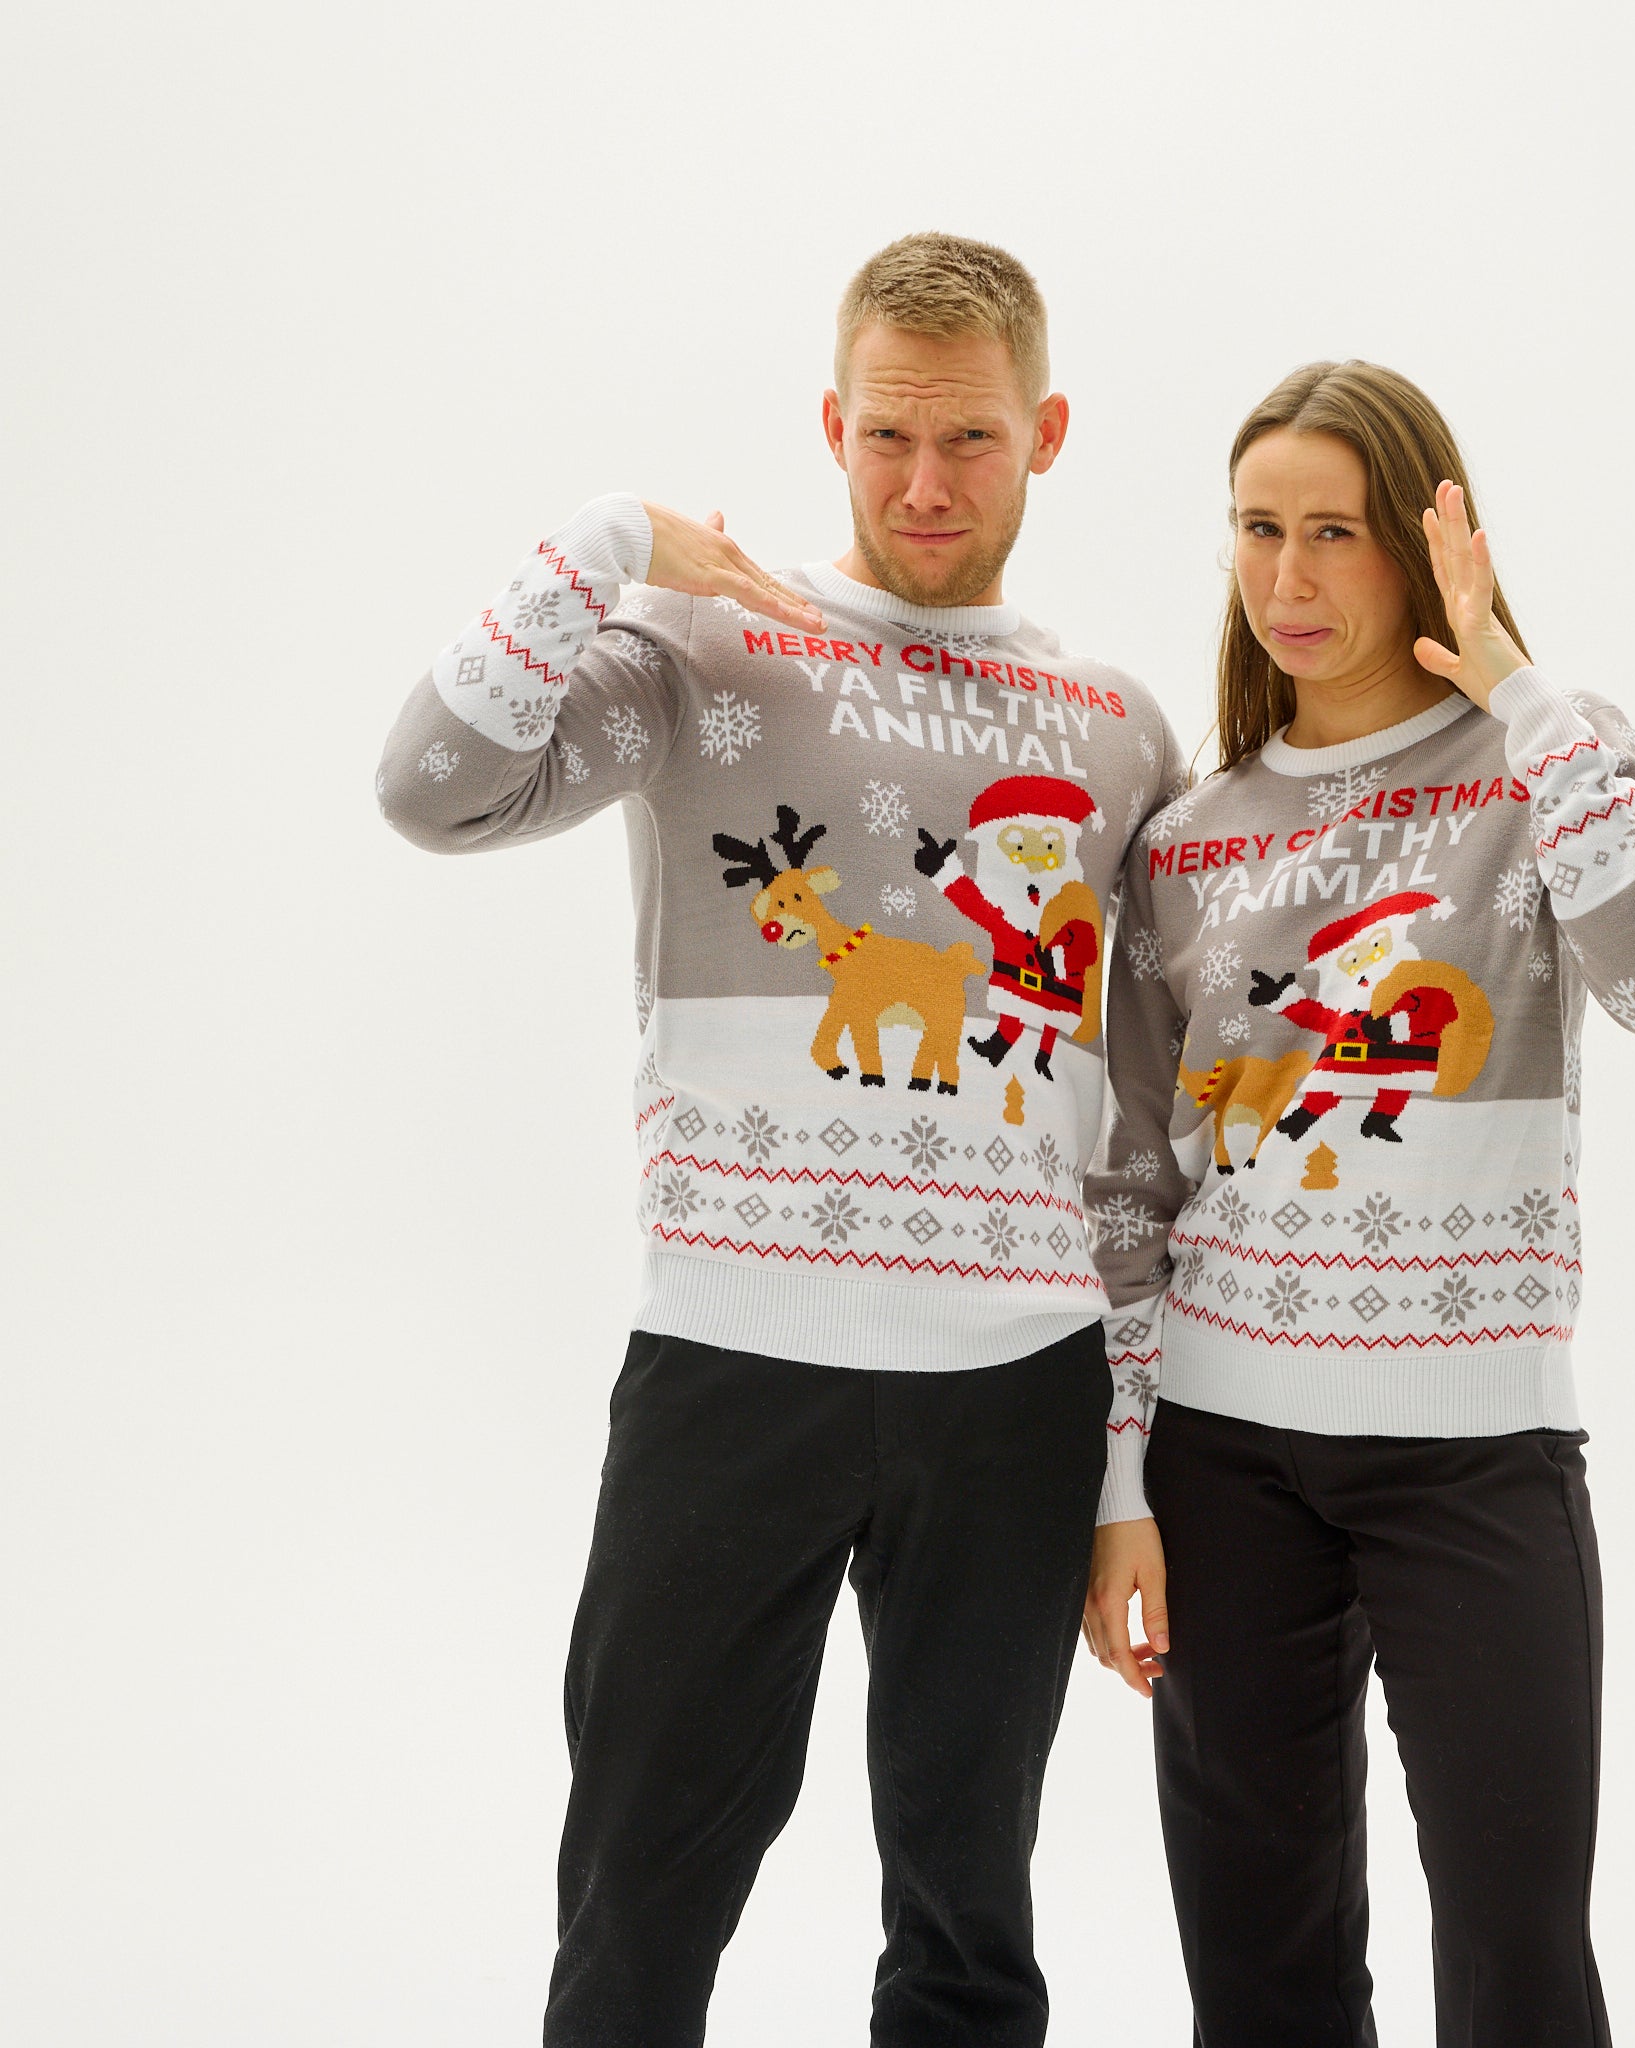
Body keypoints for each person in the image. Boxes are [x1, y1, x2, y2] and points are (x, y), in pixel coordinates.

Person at [377, 232, 1183, 2048]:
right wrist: (601, 544)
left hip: (1018, 1393)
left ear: (1048, 433)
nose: (924, 482)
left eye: (970, 437)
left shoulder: (1122, 732)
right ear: (832, 425)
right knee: (640, 1900)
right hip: (732, 1368)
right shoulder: (704, 644)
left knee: (970, 1917)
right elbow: (430, 789)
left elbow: (1141, 1133)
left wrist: (1127, 1469)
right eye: (888, 433)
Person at [1079, 360, 1635, 2047]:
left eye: (1335, 534)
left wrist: (1520, 689)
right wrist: (1121, 1479)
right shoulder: (1187, 840)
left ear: (1428, 548)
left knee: (1518, 1958)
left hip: (1477, 1448)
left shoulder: (1546, 762)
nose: (1287, 578)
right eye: (1258, 530)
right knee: (1261, 1970)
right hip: (1222, 1456)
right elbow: (1131, 1182)